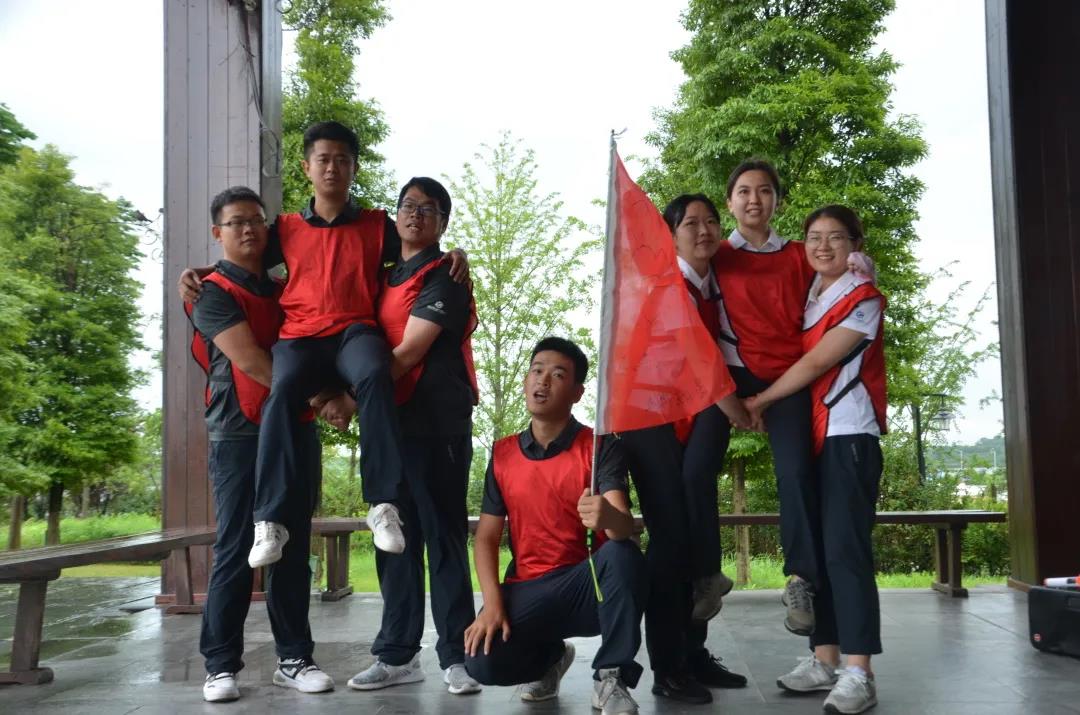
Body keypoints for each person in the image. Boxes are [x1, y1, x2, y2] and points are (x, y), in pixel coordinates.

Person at [178, 121, 467, 570]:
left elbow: (420, 243)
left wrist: (456, 255)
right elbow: (242, 254)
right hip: (301, 336)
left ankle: (383, 503)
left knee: (375, 373)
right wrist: (198, 272)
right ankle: (269, 518)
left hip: (355, 332)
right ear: (307, 167)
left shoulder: (376, 225)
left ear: (354, 169)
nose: (332, 168)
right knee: (282, 388)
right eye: (323, 159)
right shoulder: (286, 228)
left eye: (342, 160)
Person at [187, 186, 345, 702]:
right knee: (237, 546)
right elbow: (253, 361)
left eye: (256, 220)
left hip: (293, 429)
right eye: (236, 222)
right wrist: (320, 399)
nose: (248, 229)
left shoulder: (285, 289)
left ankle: (294, 659)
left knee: (292, 546)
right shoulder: (210, 293)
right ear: (218, 232)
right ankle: (220, 665)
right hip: (238, 432)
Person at [745, 205, 886, 715]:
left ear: (855, 245)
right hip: (817, 439)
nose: (823, 246)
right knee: (822, 555)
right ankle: (825, 659)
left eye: (836, 237)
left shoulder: (863, 298)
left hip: (849, 437)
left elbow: (815, 362)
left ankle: (859, 671)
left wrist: (760, 401)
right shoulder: (811, 296)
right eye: (814, 237)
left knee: (846, 553)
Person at [614, 195, 753, 707]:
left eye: (711, 221)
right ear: (670, 234)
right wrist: (739, 409)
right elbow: (694, 359)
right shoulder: (663, 285)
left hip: (697, 416)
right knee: (671, 542)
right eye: (690, 223)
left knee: (695, 528)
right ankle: (668, 667)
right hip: (651, 419)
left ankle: (694, 654)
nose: (704, 230)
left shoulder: (717, 285)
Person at [346, 178, 481, 696]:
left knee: (443, 538)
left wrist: (350, 400)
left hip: (438, 423)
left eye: (429, 208)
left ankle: (457, 656)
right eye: (408, 205)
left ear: (443, 222)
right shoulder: (383, 275)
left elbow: (407, 353)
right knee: (394, 540)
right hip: (391, 426)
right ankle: (397, 655)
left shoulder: (446, 275)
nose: (416, 214)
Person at [463, 338, 647, 715]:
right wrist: (492, 605)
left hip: (587, 584)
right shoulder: (502, 454)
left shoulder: (599, 447)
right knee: (482, 662)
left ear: (577, 393)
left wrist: (608, 517)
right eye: (537, 370)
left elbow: (622, 526)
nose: (543, 380)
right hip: (529, 587)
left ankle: (611, 676)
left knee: (623, 554)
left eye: (558, 375)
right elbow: (486, 538)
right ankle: (550, 659)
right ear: (526, 381)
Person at [710, 159, 822, 635]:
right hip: (729, 376)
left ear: (778, 199)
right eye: (744, 191)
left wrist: (860, 261)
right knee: (695, 467)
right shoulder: (715, 254)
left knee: (796, 473)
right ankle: (704, 572)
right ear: (730, 202)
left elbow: (842, 277)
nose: (754, 199)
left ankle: (800, 578)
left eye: (764, 191)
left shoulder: (801, 255)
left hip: (789, 378)